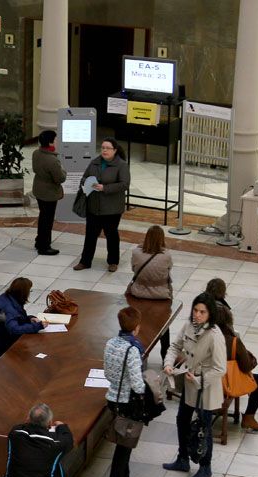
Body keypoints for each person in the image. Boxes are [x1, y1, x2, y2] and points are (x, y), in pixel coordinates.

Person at [162, 293, 226, 477]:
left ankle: (205, 467)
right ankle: (183, 458)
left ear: (209, 314)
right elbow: (175, 346)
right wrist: (168, 363)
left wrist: (199, 380)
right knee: (182, 420)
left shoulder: (215, 336)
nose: (197, 315)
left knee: (203, 428)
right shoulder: (188, 326)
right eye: (195, 310)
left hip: (205, 389)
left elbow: (220, 368)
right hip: (189, 385)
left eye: (202, 312)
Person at [104, 307, 146, 477]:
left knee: (125, 444)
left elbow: (107, 373)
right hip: (128, 402)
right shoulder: (133, 349)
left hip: (113, 398)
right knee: (123, 449)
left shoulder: (111, 343)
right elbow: (137, 384)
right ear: (136, 328)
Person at [74, 137, 131, 273]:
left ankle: (113, 262)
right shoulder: (94, 163)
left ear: (115, 150)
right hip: (93, 206)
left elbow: (124, 184)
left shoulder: (121, 165)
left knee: (111, 235)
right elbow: (84, 177)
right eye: (103, 148)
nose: (104, 150)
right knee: (90, 235)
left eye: (108, 148)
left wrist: (104, 188)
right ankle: (85, 261)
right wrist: (87, 183)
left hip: (112, 208)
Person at [213, 305, 258, 432]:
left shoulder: (202, 337)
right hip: (224, 386)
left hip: (204, 383)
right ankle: (249, 417)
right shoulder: (232, 341)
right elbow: (246, 367)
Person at [129, 225, 173, 361]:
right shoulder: (166, 256)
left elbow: (133, 269)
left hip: (139, 295)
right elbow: (168, 270)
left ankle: (139, 354)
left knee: (139, 325)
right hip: (160, 296)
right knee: (164, 325)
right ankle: (165, 355)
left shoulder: (136, 253)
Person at [0, 277, 45, 359]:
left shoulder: (5, 298)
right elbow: (15, 329)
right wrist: (38, 326)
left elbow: (14, 318)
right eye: (29, 291)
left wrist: (29, 318)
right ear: (23, 292)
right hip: (6, 345)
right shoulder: (10, 310)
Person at [31, 129, 67, 256]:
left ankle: (39, 240)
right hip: (49, 193)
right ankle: (44, 246)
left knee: (43, 216)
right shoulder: (52, 160)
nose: (57, 141)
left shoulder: (36, 153)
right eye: (56, 139)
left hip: (39, 189)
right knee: (47, 220)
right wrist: (63, 170)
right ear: (51, 142)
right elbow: (60, 178)